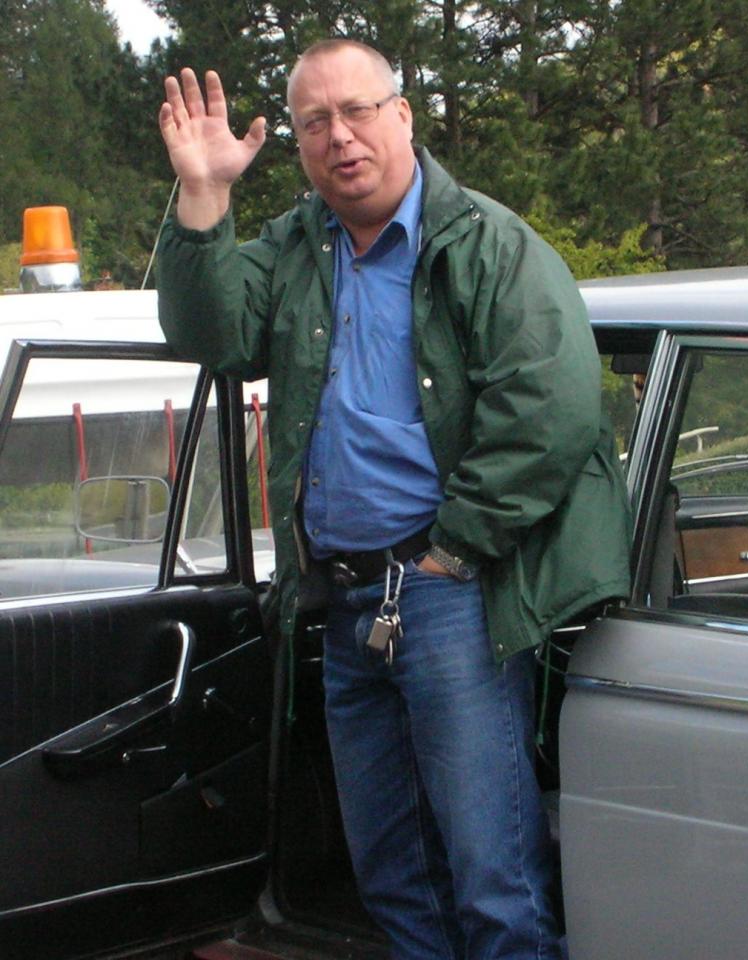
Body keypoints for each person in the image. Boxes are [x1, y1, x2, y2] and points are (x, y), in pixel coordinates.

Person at [154, 39, 631, 960]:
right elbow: (214, 333)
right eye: (315, 122)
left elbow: (555, 408)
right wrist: (205, 196)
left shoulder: (492, 246)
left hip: (452, 594)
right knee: (390, 872)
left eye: (360, 110)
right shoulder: (298, 245)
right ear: (297, 144)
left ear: (403, 116)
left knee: (495, 876)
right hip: (342, 604)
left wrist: (454, 549)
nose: (342, 137)